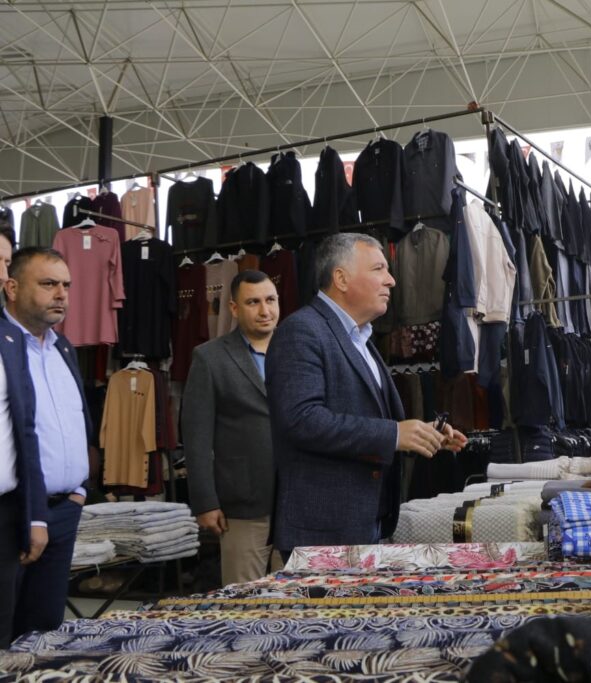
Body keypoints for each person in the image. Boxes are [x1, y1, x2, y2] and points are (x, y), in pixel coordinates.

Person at [266, 233, 467, 554]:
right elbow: (301, 420)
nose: (391, 280)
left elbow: (366, 417)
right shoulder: (301, 331)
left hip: (366, 521)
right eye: (378, 269)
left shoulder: (360, 338)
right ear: (341, 279)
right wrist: (393, 434)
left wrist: (420, 435)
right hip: (323, 532)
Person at [3, 247, 90, 638]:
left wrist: (81, 490)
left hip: (65, 509)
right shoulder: (4, 346)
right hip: (17, 510)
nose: (61, 294)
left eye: (66, 285)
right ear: (12, 288)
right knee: (8, 631)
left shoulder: (62, 347)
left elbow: (77, 421)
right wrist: (33, 512)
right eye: (48, 284)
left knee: (45, 630)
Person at [182, 270, 280, 586]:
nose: (265, 310)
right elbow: (196, 437)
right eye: (253, 302)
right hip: (243, 501)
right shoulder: (210, 358)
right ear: (235, 309)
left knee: (296, 599)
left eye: (270, 300)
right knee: (244, 600)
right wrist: (205, 501)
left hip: (296, 500)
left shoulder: (297, 349)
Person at [0, 232, 48, 649]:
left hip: (5, 512)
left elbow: (25, 431)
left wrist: (34, 517)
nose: (5, 275)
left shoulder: (10, 340)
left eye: (6, 262)